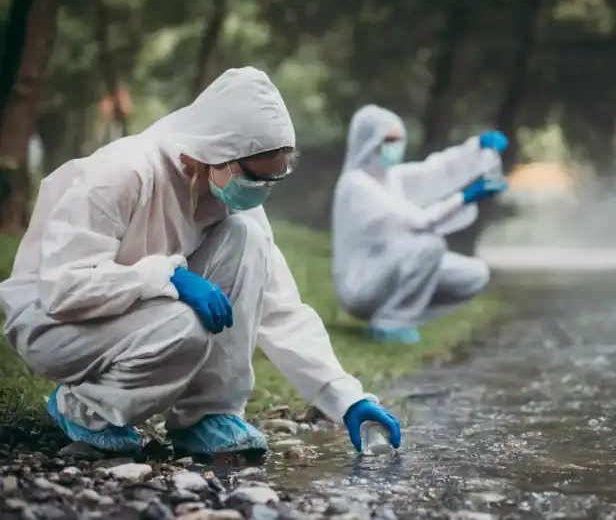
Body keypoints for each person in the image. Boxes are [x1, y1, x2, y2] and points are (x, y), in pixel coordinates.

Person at [0, 68, 401, 456]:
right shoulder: (123, 172)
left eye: (272, 181)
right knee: (185, 326)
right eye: (255, 178)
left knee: (247, 240)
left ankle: (207, 415)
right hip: (53, 322)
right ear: (220, 151)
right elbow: (63, 288)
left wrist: (346, 397)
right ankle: (86, 409)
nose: (260, 191)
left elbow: (281, 309)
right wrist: (166, 277)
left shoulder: (227, 199)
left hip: (135, 313)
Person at [332, 105, 508, 344]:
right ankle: (391, 324)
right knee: (428, 245)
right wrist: (466, 197)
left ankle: (400, 317)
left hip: (387, 269)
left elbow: (438, 171)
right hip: (361, 284)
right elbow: (419, 221)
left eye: (400, 139)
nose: (397, 146)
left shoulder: (390, 178)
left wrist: (478, 147)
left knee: (474, 275)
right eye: (390, 139)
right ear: (370, 141)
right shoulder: (356, 184)